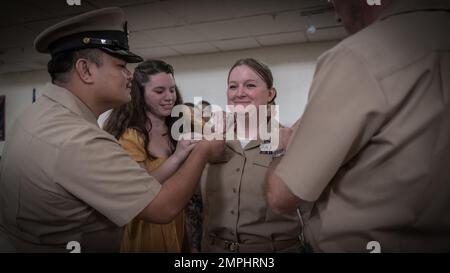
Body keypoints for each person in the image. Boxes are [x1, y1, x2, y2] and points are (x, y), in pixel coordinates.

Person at [0, 7, 224, 252]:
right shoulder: (79, 139)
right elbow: (163, 207)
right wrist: (202, 151)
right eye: (120, 66)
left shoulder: (36, 114)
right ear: (85, 70)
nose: (129, 76)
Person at [266, 0, 450, 252]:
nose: (333, 8)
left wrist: (282, 145)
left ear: (270, 93)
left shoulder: (359, 55)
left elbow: (281, 196)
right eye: (232, 86)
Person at [187, 58, 302, 253]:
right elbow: (194, 204)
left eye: (250, 85)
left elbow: (310, 209)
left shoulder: (290, 142)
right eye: (233, 87)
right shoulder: (209, 141)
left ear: (270, 94)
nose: (239, 93)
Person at [103, 60, 193, 252]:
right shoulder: (131, 136)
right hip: (146, 227)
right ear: (140, 95)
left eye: (172, 90)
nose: (169, 97)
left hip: (176, 219)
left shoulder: (177, 126)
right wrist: (177, 157)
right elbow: (142, 186)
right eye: (159, 91)